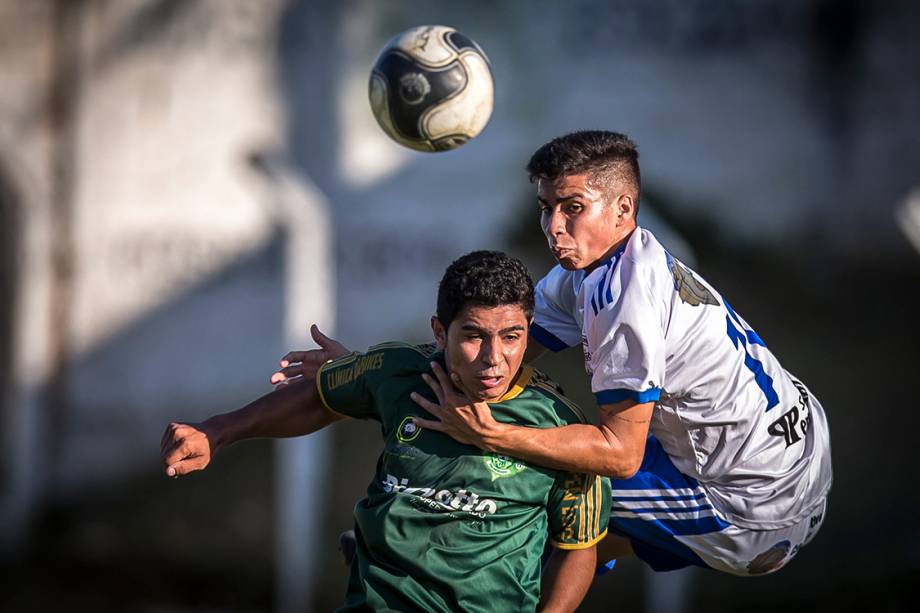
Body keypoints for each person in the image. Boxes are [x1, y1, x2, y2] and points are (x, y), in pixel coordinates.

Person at [407, 131, 833, 577]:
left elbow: (619, 455)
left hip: (752, 508)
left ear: (623, 209)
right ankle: (423, 562)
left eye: (572, 208)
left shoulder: (625, 299)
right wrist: (369, 364)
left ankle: (415, 561)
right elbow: (491, 354)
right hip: (796, 452)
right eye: (546, 208)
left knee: (523, 480)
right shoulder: (593, 268)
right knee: (559, 532)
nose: (554, 226)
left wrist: (491, 436)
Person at [161, 250, 610, 612]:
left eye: (511, 337)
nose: (494, 358)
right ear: (440, 332)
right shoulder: (402, 372)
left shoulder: (563, 429)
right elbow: (320, 396)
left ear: (528, 330)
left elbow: (578, 549)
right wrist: (218, 431)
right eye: (474, 336)